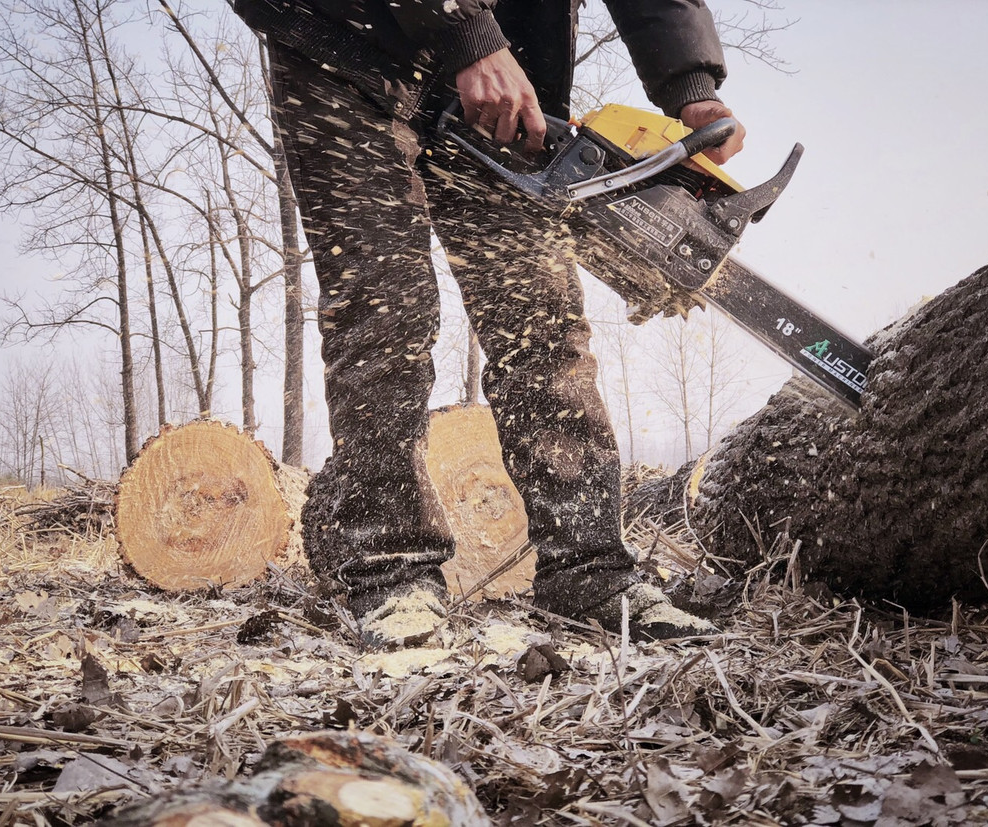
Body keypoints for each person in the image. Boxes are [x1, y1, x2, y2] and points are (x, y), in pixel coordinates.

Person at [232, 0, 746, 647]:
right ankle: (390, 570)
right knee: (385, 304)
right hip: (344, 35)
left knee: (539, 311)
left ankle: (587, 568)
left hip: (505, 58)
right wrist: (463, 31)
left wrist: (689, 83)